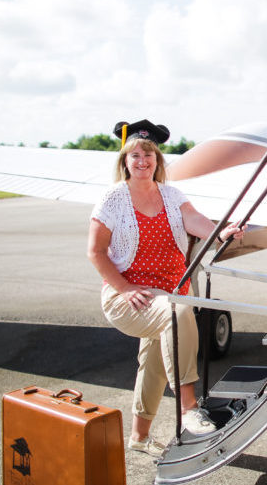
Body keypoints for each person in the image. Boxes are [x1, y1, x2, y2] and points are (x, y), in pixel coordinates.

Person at [87, 121, 244, 456]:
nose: (142, 160)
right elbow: (95, 252)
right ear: (125, 161)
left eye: (149, 155)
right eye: (135, 155)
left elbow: (197, 222)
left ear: (157, 160)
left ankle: (140, 437)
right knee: (178, 313)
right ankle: (189, 407)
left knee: (156, 362)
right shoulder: (113, 199)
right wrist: (125, 287)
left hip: (169, 292)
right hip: (129, 297)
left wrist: (221, 232)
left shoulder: (171, 195)